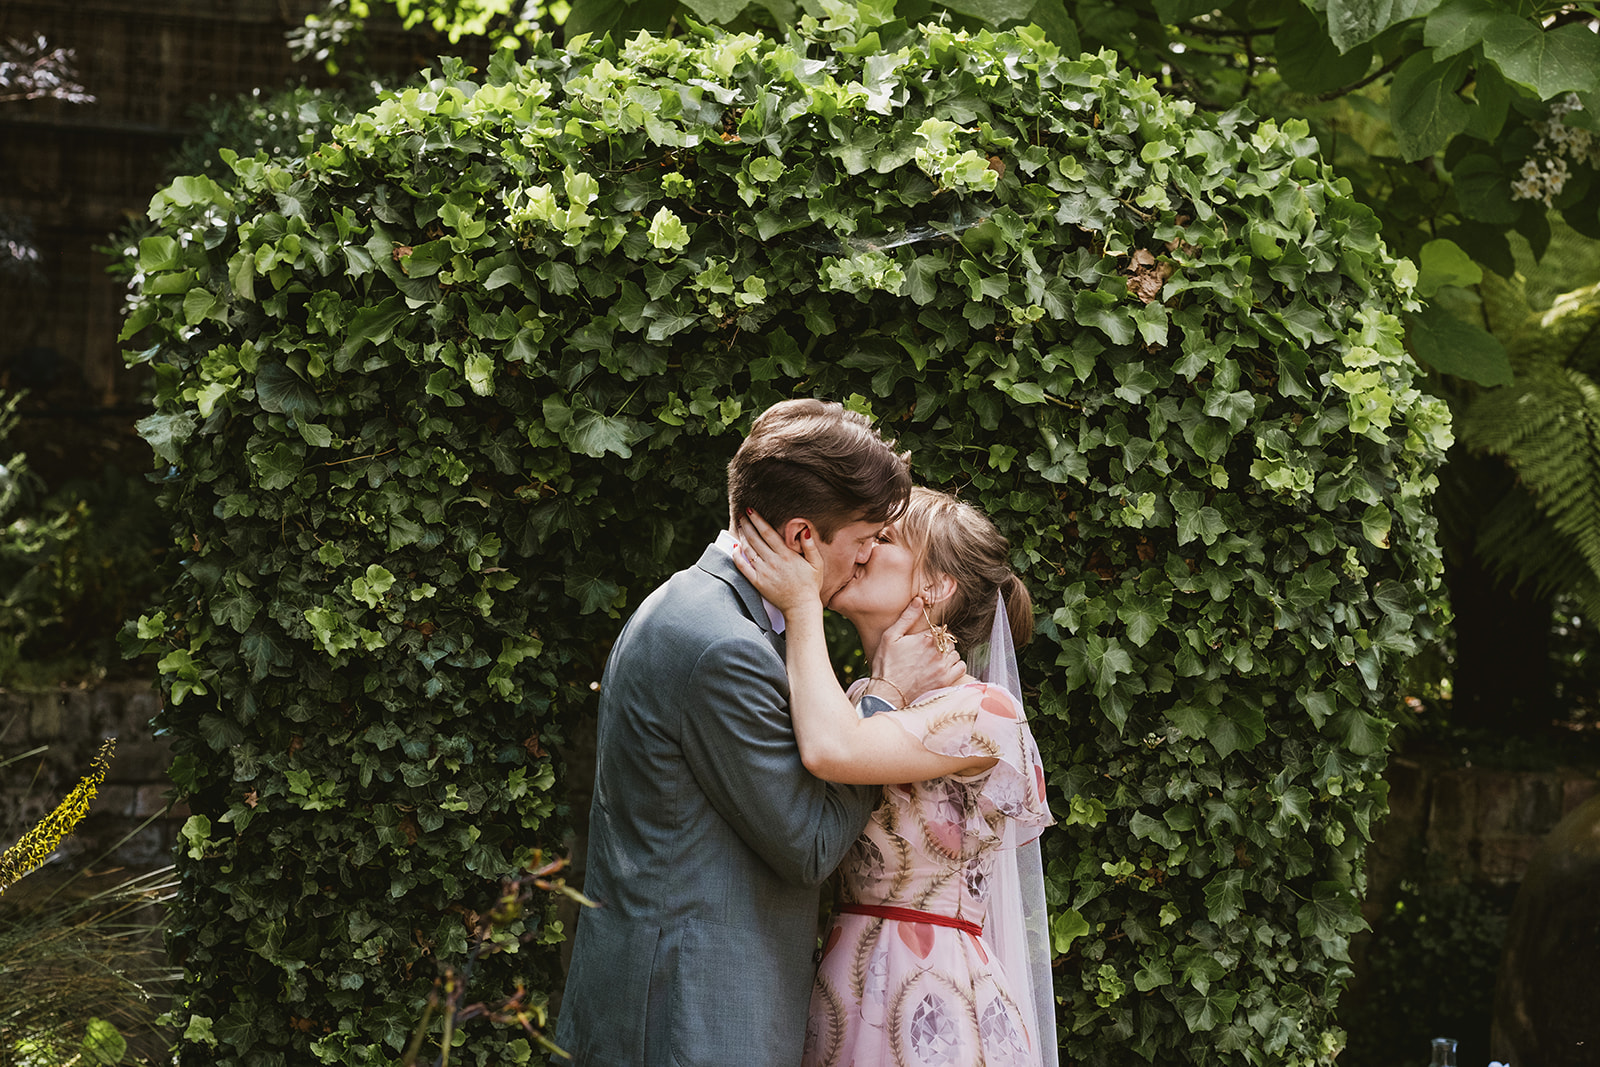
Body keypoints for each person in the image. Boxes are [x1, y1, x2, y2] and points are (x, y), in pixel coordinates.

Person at [555, 399, 966, 1067]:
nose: (865, 557)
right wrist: (884, 696)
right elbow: (808, 844)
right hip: (693, 1020)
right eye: (865, 537)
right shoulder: (724, 646)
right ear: (804, 536)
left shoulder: (699, 609)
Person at [734, 486, 1057, 1067]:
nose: (859, 550)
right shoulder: (860, 700)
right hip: (840, 984)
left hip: (935, 997)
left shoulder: (985, 712)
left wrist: (804, 607)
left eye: (882, 540)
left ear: (935, 587)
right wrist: (879, 689)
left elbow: (834, 753)